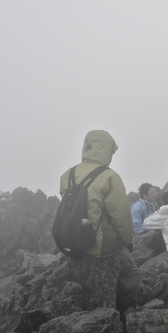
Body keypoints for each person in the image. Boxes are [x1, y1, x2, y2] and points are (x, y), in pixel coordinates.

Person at [59, 130, 139, 315]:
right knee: (131, 272)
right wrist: (127, 240)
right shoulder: (109, 176)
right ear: (107, 150)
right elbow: (120, 216)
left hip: (71, 239)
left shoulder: (67, 174)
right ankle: (127, 312)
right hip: (99, 245)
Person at [131, 183, 165, 255]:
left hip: (149, 230)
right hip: (137, 235)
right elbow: (136, 228)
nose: (156, 193)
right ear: (145, 196)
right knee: (152, 232)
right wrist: (152, 226)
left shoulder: (153, 204)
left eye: (155, 191)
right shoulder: (137, 208)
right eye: (153, 192)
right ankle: (136, 249)